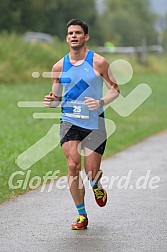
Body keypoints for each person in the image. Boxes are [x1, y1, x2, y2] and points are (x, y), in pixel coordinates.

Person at [44, 18, 119, 230]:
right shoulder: (59, 66)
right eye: (70, 33)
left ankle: (96, 184)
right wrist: (52, 101)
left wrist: (101, 101)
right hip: (69, 120)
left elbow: (115, 89)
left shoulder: (99, 62)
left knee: (91, 172)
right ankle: (81, 215)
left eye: (78, 32)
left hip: (94, 121)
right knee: (72, 166)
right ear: (67, 38)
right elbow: (56, 99)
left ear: (86, 37)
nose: (73, 36)